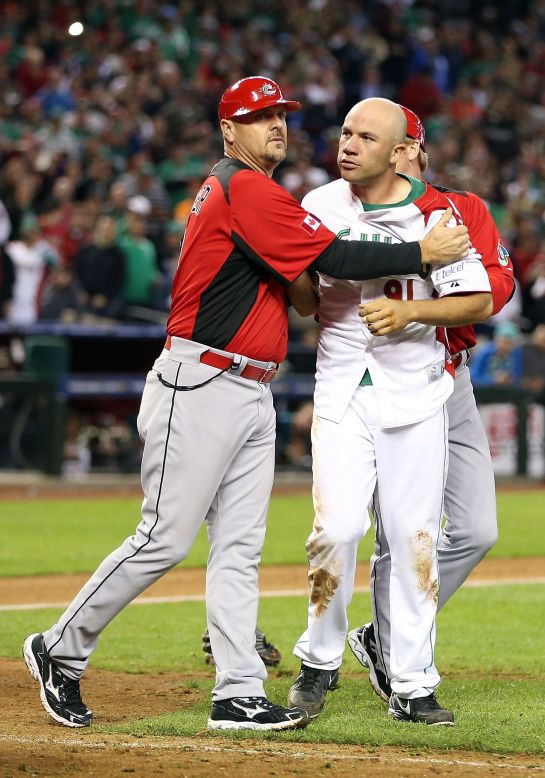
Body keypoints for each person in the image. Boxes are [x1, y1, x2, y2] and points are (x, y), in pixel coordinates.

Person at [23, 77, 468, 734]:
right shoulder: (242, 187)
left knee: (238, 548)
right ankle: (60, 646)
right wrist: (420, 251)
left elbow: (309, 275)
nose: (275, 127)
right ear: (228, 130)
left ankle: (237, 691)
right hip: (200, 381)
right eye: (258, 117)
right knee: (163, 538)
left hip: (250, 387)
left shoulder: (260, 194)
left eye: (281, 115)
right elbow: (337, 254)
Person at [287, 97, 492, 726]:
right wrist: (290, 269)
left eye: (366, 137)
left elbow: (478, 301)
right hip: (343, 387)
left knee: (414, 539)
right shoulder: (319, 205)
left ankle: (412, 681)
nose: (348, 144)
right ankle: (318, 661)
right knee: (339, 529)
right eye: (345, 132)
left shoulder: (438, 213)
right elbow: (302, 301)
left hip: (419, 390)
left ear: (400, 150)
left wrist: (411, 312)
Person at [346, 105, 515, 710]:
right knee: (398, 531)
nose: (401, 154)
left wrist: (435, 274)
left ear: (413, 149)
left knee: (477, 529)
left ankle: (380, 632)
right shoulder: (346, 209)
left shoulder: (461, 209)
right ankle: (396, 658)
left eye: (403, 143)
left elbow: (493, 290)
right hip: (385, 386)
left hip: (453, 379)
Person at [470, 320, 523, 386]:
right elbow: (473, 376)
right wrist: (492, 379)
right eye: (504, 341)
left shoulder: (516, 354)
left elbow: (518, 375)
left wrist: (510, 378)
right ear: (496, 339)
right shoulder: (485, 352)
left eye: (510, 343)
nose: (506, 346)